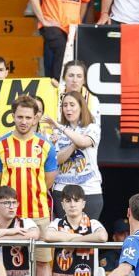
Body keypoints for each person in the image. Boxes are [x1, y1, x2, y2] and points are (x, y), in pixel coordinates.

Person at [0, 95, 58, 276]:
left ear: (36, 118)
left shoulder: (45, 145)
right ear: (13, 116)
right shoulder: (1, 145)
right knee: (0, 258)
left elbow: (49, 180)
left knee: (43, 261)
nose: (23, 121)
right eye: (19, 116)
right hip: (9, 214)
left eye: (28, 117)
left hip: (38, 211)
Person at [45, 184, 108, 276]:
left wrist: (73, 239)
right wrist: (82, 238)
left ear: (84, 203)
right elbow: (48, 235)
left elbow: (102, 236)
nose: (72, 204)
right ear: (62, 204)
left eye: (76, 200)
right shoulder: (56, 223)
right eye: (68, 201)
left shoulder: (93, 223)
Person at [43, 91, 102, 219]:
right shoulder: (56, 132)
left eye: (72, 105)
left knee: (87, 234)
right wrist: (74, 144)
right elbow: (57, 159)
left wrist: (61, 127)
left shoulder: (92, 127)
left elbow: (84, 142)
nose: (68, 109)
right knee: (64, 233)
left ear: (81, 107)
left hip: (89, 188)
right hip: (62, 189)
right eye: (65, 105)